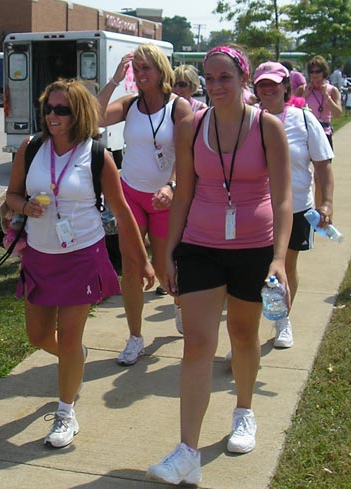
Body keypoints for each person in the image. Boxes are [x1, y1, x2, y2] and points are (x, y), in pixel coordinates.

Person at [146, 45, 292, 485]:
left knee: (243, 335)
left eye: (224, 77)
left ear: (242, 79)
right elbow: (185, 191)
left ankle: (244, 412)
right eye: (209, 79)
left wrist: (281, 260)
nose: (215, 86)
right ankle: (187, 451)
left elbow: (284, 199)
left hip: (254, 246)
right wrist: (170, 250)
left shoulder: (268, 128)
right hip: (201, 244)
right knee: (197, 343)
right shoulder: (192, 125)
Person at [6, 78, 154, 448]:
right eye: (49, 108)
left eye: (62, 110)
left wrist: (143, 261)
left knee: (70, 336)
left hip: (82, 254)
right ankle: (76, 358)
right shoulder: (31, 147)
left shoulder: (97, 156)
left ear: (79, 114)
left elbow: (122, 213)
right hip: (40, 256)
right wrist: (23, 206)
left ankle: (65, 412)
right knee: (38, 337)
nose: (53, 116)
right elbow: (11, 194)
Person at [97, 44, 193, 364]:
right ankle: (135, 337)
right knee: (132, 267)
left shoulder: (178, 108)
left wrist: (172, 185)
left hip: (166, 199)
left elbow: (186, 154)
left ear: (161, 70)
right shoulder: (128, 105)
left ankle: (179, 306)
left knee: (168, 267)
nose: (139, 75)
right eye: (135, 69)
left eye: (145, 68)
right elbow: (94, 117)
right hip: (131, 196)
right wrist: (113, 80)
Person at [253, 61, 334, 349]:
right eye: (262, 83)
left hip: (297, 206)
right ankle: (247, 334)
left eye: (274, 83)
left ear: (286, 86)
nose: (268, 88)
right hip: (256, 209)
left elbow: (323, 165)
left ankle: (282, 321)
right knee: (253, 270)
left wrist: (326, 203)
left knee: (285, 265)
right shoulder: (249, 119)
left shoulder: (303, 118)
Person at [303, 55, 342, 149]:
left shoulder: (332, 90)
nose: (314, 74)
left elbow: (337, 114)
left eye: (317, 71)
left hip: (324, 132)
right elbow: (292, 109)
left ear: (324, 72)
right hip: (307, 132)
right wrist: (304, 95)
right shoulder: (304, 89)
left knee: (325, 164)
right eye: (312, 72)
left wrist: (326, 95)